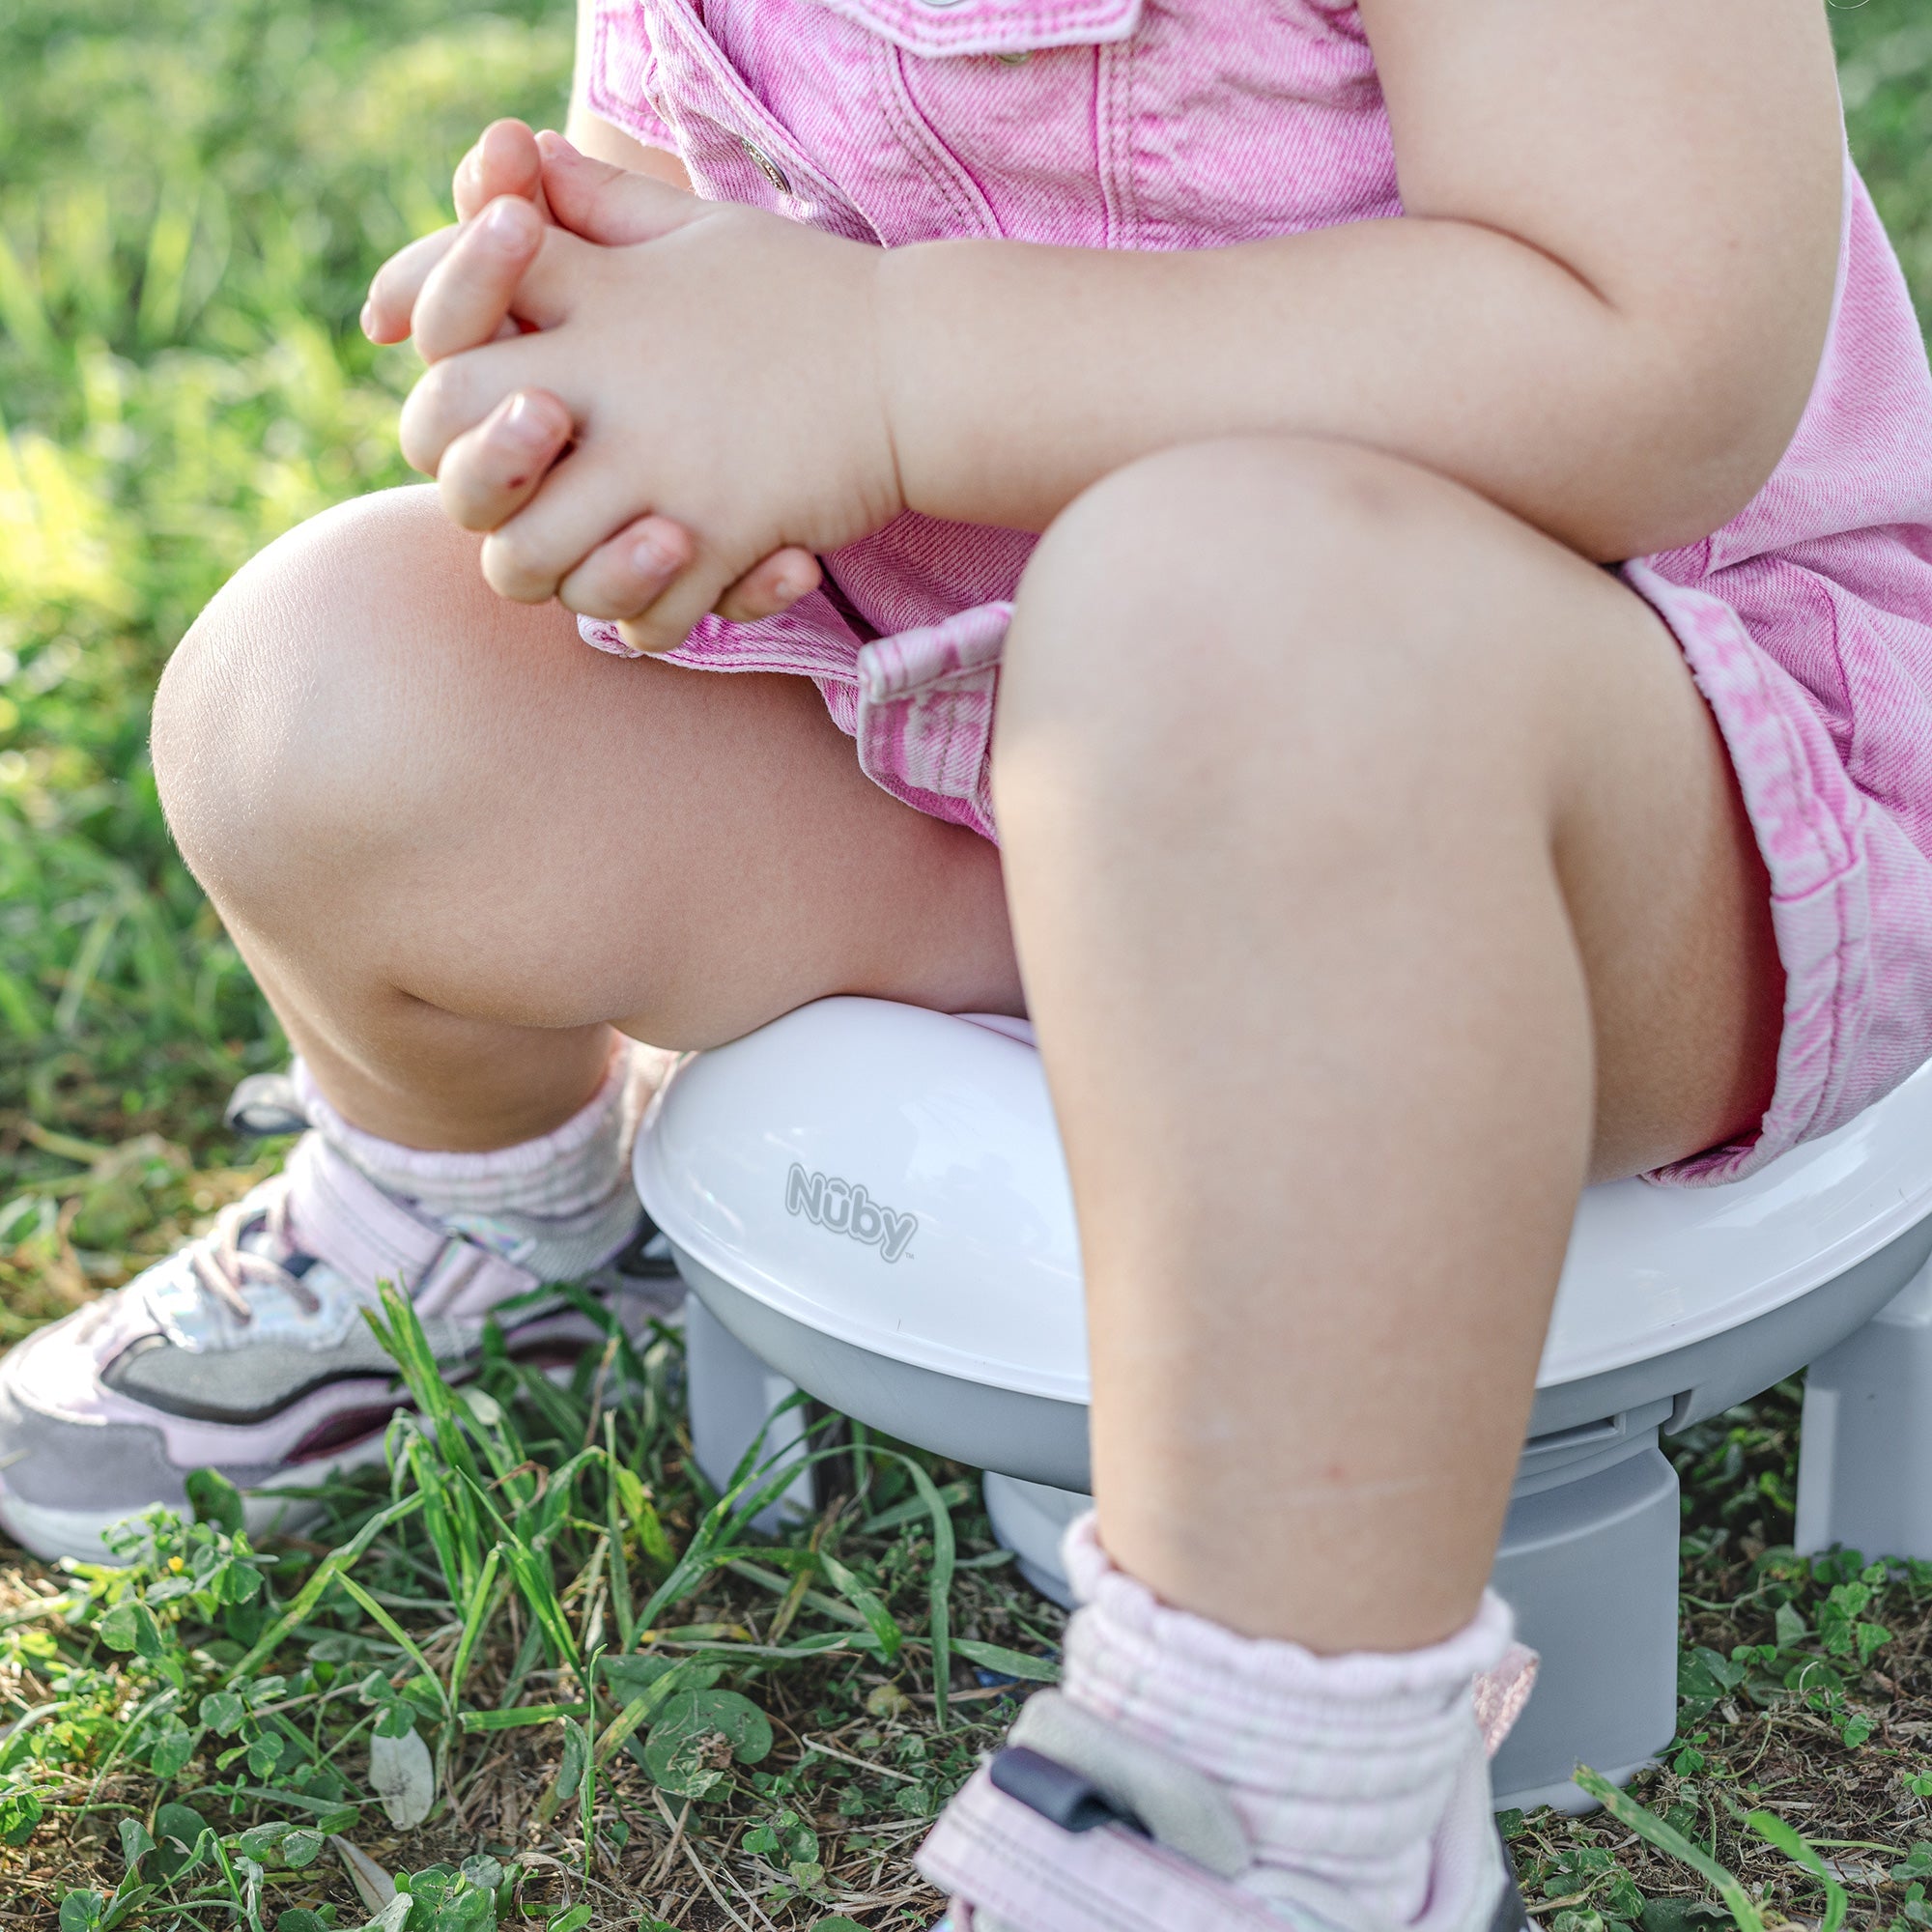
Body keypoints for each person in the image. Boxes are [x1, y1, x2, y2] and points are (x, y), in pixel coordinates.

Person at [8, 0, 1932, 1923]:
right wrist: (611, 392)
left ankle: (1272, 1796)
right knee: (322, 693)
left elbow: (1656, 360)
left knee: (1223, 618)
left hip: (1577, 801)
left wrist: (886, 365)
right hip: (947, 726)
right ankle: (473, 1205)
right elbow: (685, 209)